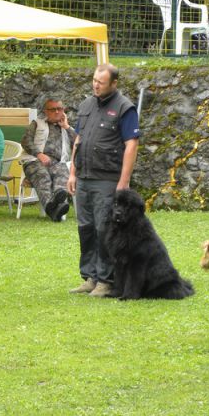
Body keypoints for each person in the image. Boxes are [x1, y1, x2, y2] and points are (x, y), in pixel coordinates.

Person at [67, 64, 140, 298]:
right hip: (84, 177)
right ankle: (90, 277)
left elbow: (132, 144)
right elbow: (78, 139)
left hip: (107, 178)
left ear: (114, 84)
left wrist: (123, 181)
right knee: (85, 229)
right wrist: (72, 172)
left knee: (104, 229)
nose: (95, 85)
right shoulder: (87, 104)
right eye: (94, 80)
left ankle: (106, 281)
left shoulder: (124, 108)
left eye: (101, 82)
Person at [20, 98, 76, 222]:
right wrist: (39, 154)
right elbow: (25, 141)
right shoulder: (36, 123)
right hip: (35, 161)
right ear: (46, 111)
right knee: (43, 176)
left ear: (63, 111)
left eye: (59, 109)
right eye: (52, 109)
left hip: (57, 163)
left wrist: (66, 126)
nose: (57, 112)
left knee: (62, 173)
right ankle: (55, 207)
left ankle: (56, 204)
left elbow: (78, 143)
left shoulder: (66, 128)